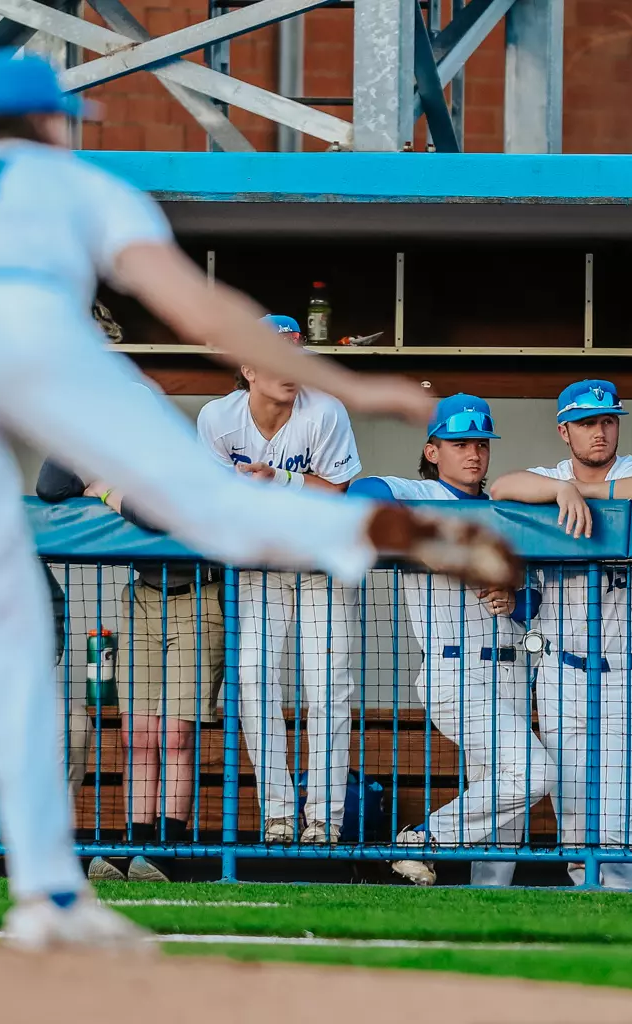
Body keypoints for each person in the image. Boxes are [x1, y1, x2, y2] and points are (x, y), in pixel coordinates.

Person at [0, 54, 512, 950]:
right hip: (36, 334)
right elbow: (209, 316)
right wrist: (345, 382)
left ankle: (45, 898)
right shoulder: (74, 183)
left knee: (1, 638)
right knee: (206, 499)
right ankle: (386, 523)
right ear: (45, 124)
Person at [487, 379, 632, 890]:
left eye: (606, 421)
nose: (598, 433)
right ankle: (593, 926)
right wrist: (563, 489)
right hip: (565, 673)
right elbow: (502, 487)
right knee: (576, 823)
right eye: (585, 423)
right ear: (564, 431)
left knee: (621, 820)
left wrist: (590, 493)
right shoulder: (549, 478)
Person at [349, 394, 555, 887]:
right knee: (532, 774)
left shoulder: (505, 509)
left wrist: (513, 595)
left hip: (511, 670)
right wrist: (436, 545)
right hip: (454, 670)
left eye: (481, 444)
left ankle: (488, 903)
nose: (474, 454)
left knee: (506, 804)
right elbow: (361, 492)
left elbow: (535, 604)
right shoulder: (419, 494)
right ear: (434, 450)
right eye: (459, 443)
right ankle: (421, 838)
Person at [196, 316, 362, 846]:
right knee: (253, 683)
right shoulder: (217, 419)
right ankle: (279, 813)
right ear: (246, 367)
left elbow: (336, 489)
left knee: (327, 690)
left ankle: (324, 820)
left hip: (322, 568)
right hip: (261, 570)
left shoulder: (324, 410)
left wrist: (281, 480)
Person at [36, 456, 222, 883]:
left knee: (175, 734)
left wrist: (102, 489)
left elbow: (152, 515)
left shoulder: (163, 452)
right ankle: (135, 843)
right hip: (141, 595)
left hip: (198, 593)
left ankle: (165, 849)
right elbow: (50, 485)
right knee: (135, 732)